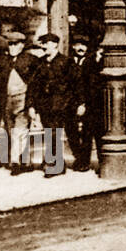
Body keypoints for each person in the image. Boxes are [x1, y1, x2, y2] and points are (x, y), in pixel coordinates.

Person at [0, 33, 40, 173]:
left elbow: (36, 84)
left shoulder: (30, 60)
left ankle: (15, 163)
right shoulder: (3, 61)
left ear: (22, 45)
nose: (12, 47)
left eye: (15, 44)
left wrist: (33, 104)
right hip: (7, 100)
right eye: (10, 44)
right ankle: (26, 162)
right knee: (11, 131)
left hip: (23, 99)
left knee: (20, 131)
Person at [29, 34, 76, 177]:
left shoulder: (66, 62)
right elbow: (33, 86)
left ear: (55, 44)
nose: (44, 46)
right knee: (49, 133)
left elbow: (75, 84)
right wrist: (31, 105)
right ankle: (53, 161)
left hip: (61, 105)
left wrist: (75, 103)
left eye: (46, 43)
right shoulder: (40, 63)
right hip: (45, 105)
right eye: (43, 44)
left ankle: (56, 165)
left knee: (54, 133)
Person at [66, 36, 100, 172]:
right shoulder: (68, 62)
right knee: (71, 132)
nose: (81, 48)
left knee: (89, 133)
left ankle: (86, 161)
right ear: (73, 46)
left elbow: (93, 85)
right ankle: (79, 158)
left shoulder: (93, 62)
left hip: (90, 104)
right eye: (78, 45)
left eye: (84, 45)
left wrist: (84, 103)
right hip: (71, 103)